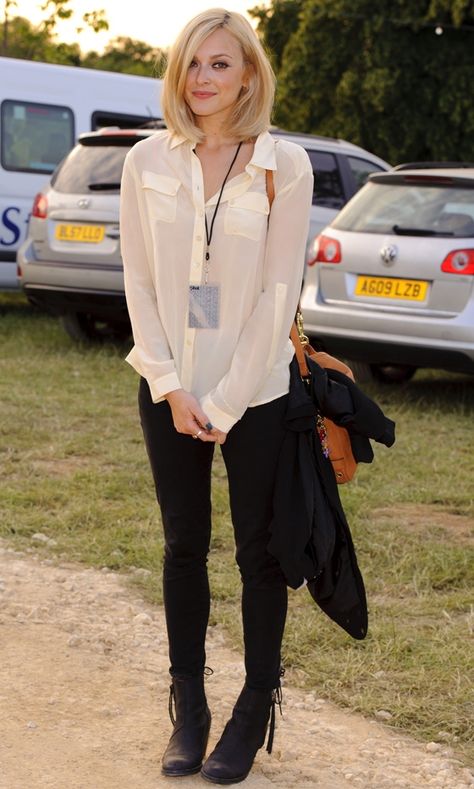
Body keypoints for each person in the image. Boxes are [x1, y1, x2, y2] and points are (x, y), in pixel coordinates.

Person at [120, 8, 313, 784]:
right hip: (170, 390)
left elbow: (278, 293)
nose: (203, 78)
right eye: (192, 64)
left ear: (249, 74)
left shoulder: (281, 162)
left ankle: (251, 707)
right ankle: (190, 706)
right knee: (182, 547)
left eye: (220, 64)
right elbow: (137, 278)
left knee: (259, 554)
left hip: (255, 394)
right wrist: (169, 385)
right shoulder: (146, 161)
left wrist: (227, 404)